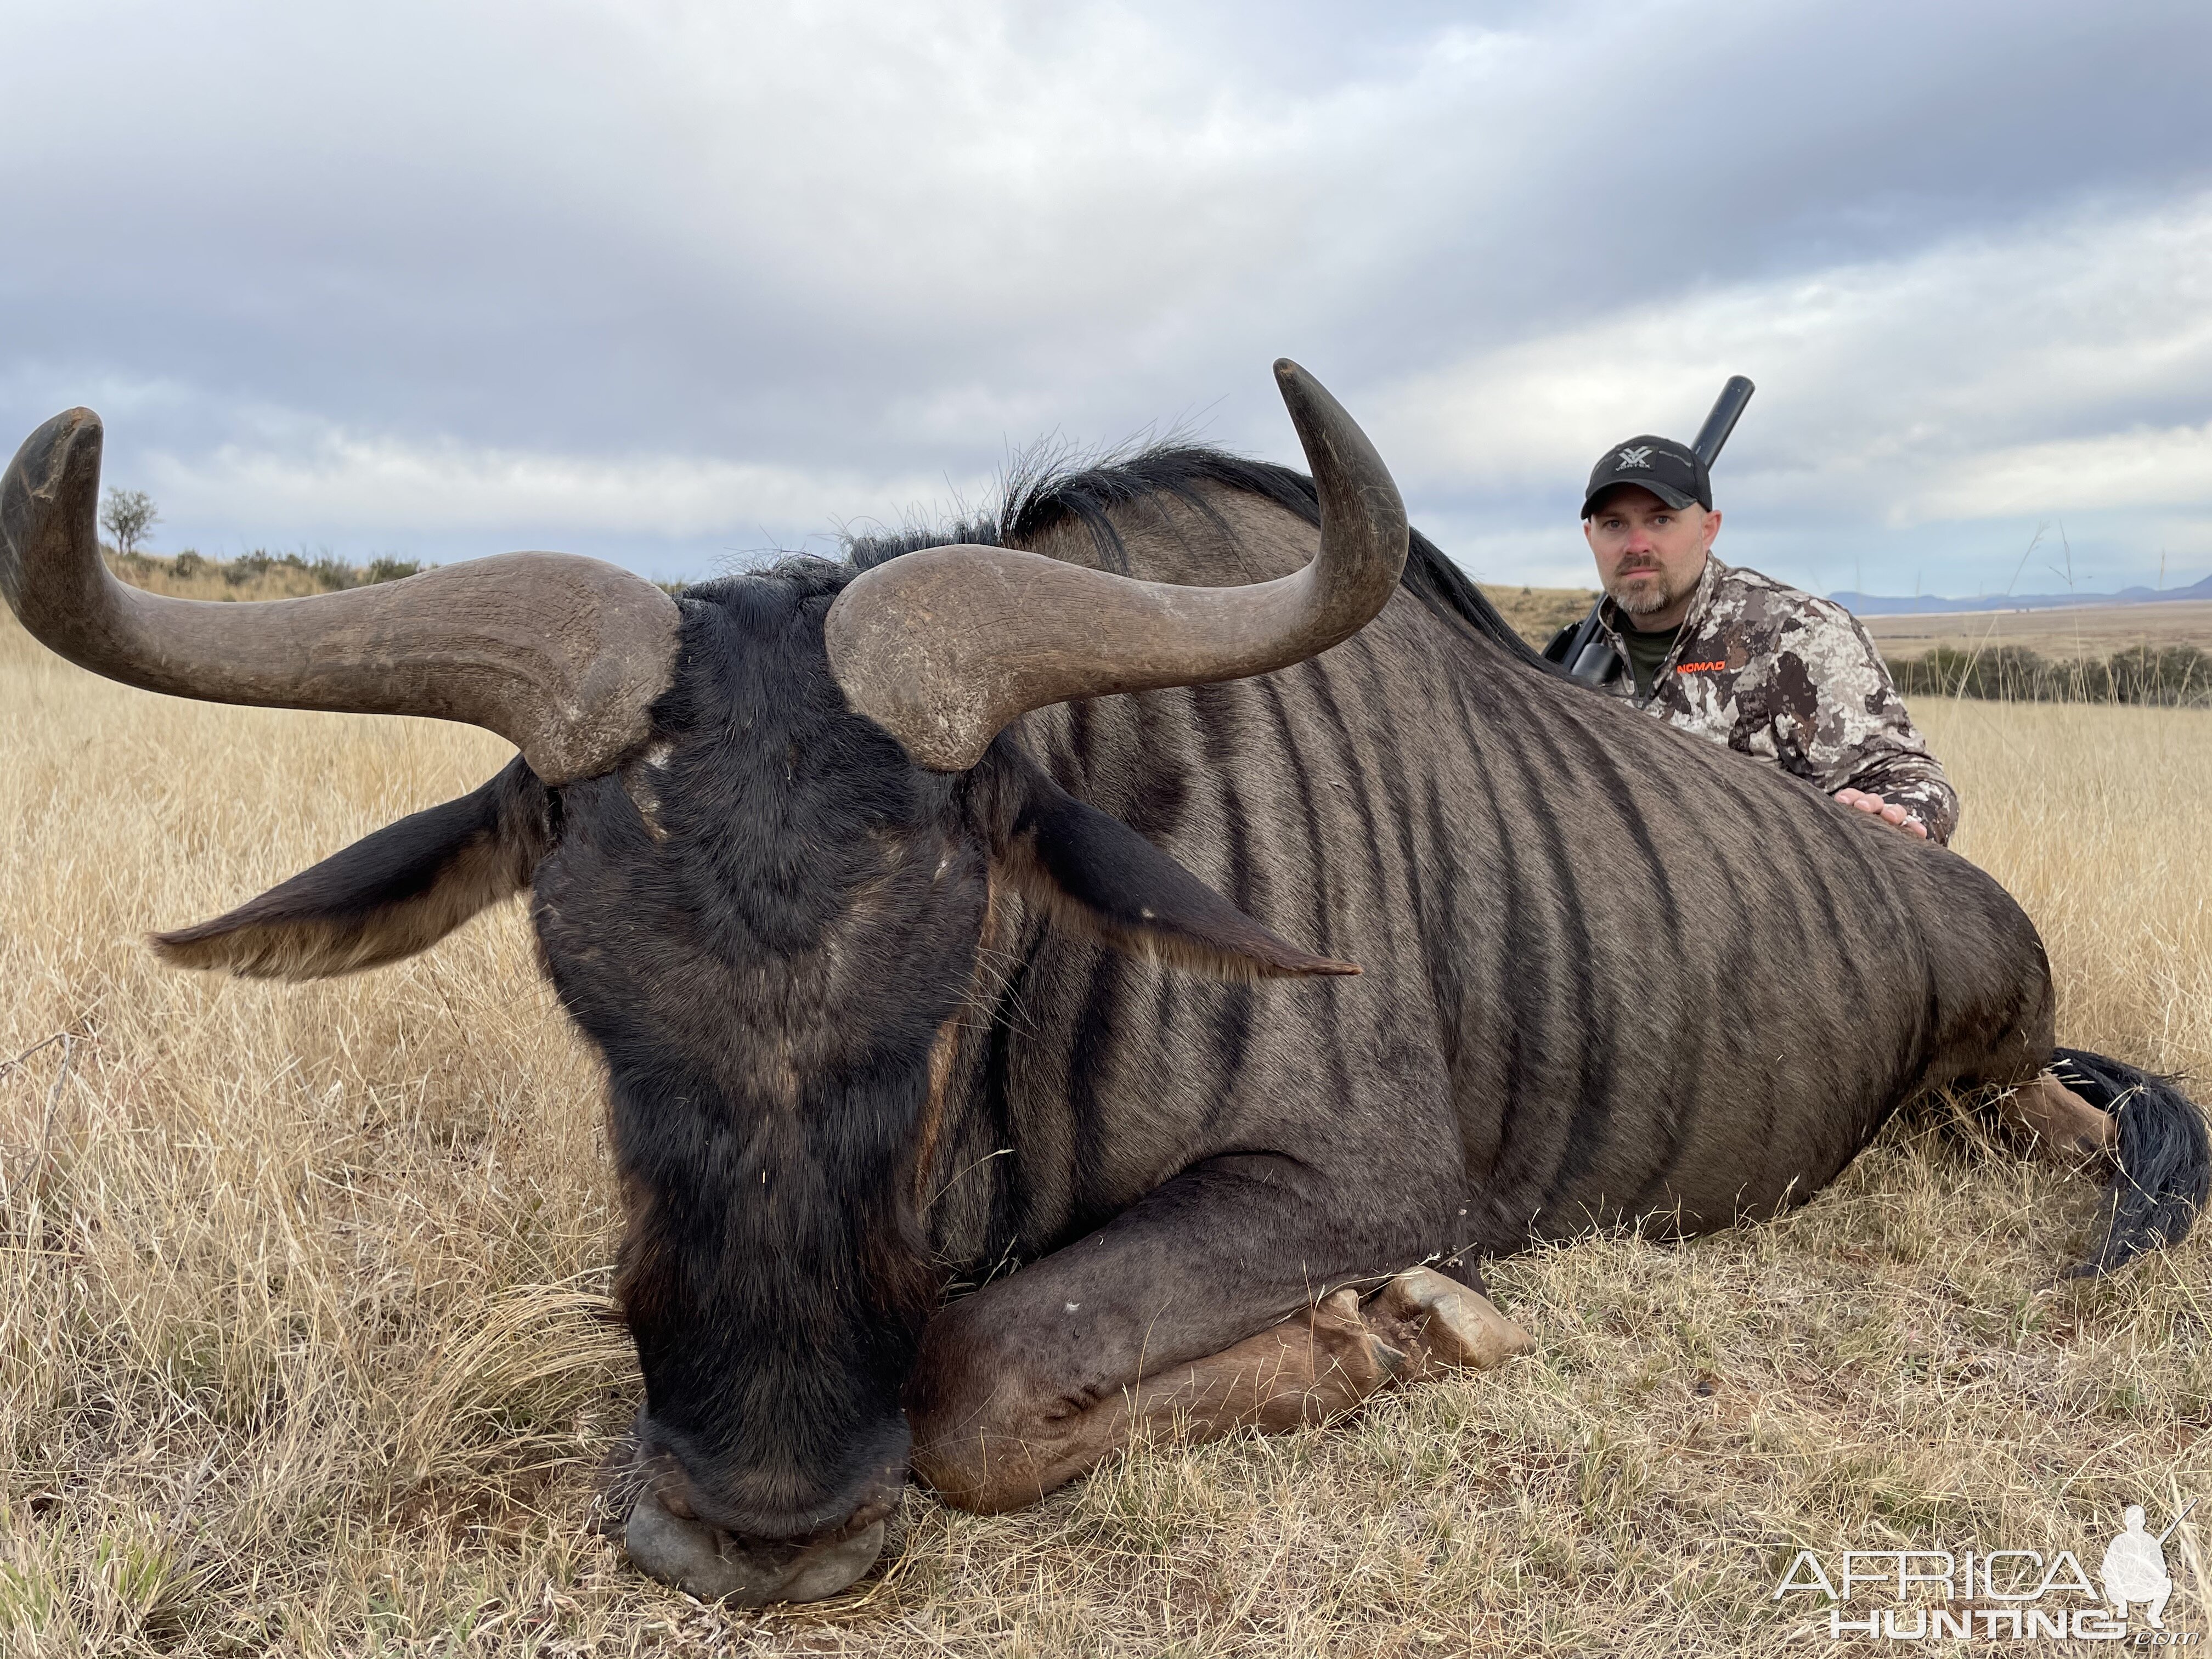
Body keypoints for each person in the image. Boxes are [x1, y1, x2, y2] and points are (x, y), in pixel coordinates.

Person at [1544, 434, 1958, 844]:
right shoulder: (1567, 661)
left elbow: (1910, 778)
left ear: (1709, 529)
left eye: (1661, 520)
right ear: (1589, 537)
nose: (1636, 546)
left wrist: (1889, 819)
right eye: (1614, 524)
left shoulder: (1795, 631)